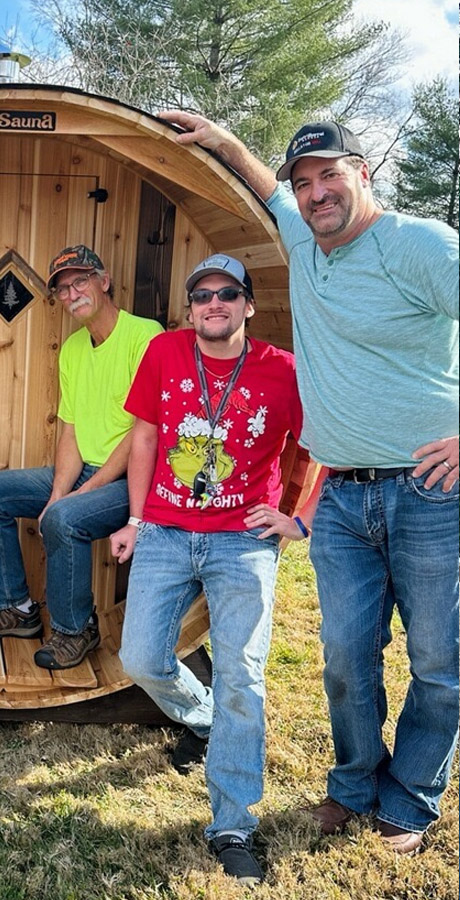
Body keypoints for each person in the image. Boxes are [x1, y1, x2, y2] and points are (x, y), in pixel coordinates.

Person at [160, 112, 459, 855]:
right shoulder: (306, 240)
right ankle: (355, 783)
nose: (317, 192)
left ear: (364, 172)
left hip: (430, 492)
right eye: (304, 182)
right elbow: (269, 192)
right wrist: (224, 140)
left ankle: (412, 797)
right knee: (344, 658)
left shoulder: (419, 245)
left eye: (331, 174)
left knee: (440, 662)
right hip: (341, 499)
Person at [110, 253, 303, 885]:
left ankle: (233, 823)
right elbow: (143, 438)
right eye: (201, 296)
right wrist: (137, 520)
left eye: (227, 294)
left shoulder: (283, 371)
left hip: (241, 542)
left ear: (248, 304)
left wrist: (294, 517)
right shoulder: (165, 352)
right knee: (140, 657)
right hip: (165, 529)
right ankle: (206, 719)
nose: (212, 304)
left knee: (242, 675)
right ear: (190, 308)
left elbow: (318, 447)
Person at [0, 245, 162, 669]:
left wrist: (82, 491)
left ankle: (76, 630)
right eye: (63, 289)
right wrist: (58, 490)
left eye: (80, 282)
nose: (72, 294)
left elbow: (145, 431)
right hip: (85, 469)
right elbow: (70, 430)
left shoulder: (145, 336)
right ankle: (15, 608)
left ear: (104, 281)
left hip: (133, 480)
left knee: (63, 519)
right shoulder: (72, 349)